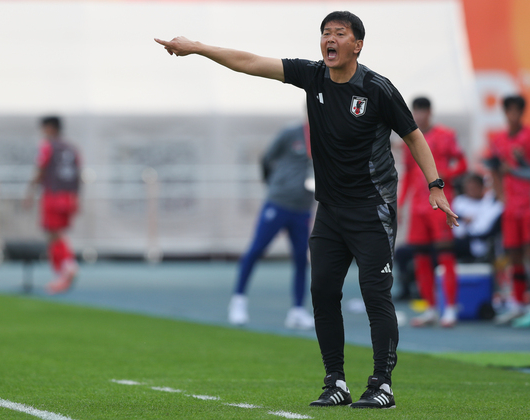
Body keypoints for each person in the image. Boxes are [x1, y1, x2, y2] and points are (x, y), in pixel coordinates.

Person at [156, 10, 458, 409]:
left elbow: (414, 137)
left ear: (357, 44)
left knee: (375, 296)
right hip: (330, 211)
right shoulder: (312, 75)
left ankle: (381, 384)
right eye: (325, 33)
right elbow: (250, 63)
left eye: (339, 33)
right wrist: (198, 48)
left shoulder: (377, 88)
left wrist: (435, 185)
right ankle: (336, 381)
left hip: (372, 209)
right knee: (322, 292)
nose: (329, 39)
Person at [228, 122, 315, 330]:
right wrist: (273, 183)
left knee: (301, 258)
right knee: (256, 249)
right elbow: (267, 158)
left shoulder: (328, 134)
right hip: (278, 202)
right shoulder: (291, 134)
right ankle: (238, 301)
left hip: (303, 207)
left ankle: (297, 310)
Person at [398, 97, 467, 328]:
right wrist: (400, 204)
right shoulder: (408, 138)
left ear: (429, 112)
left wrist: (445, 174)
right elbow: (407, 174)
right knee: (421, 258)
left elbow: (463, 163)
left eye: (422, 111)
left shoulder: (446, 135)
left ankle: (450, 308)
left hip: (440, 204)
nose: (418, 115)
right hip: (418, 207)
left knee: (446, 257)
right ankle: (430, 307)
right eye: (415, 111)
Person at [486, 95, 530, 324]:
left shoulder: (528, 135)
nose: (513, 115)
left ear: (521, 113)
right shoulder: (499, 139)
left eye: (517, 111)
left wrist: (519, 164)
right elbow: (493, 167)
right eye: (509, 111)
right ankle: (518, 303)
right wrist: (500, 194)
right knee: (513, 254)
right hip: (511, 207)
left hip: (529, 205)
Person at [25, 116, 81, 294]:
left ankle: (67, 266)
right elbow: (78, 174)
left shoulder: (47, 147)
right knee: (56, 233)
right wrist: (76, 197)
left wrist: (30, 192)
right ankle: (62, 274)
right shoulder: (72, 148)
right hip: (69, 196)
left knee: (53, 234)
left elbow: (40, 169)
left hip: (53, 195)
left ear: (50, 128)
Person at [452, 173, 503, 262]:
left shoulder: (489, 202)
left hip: (482, 245)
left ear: (481, 187)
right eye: (468, 188)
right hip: (460, 244)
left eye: (474, 188)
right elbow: (457, 230)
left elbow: (483, 227)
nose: (471, 191)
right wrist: (463, 219)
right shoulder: (459, 202)